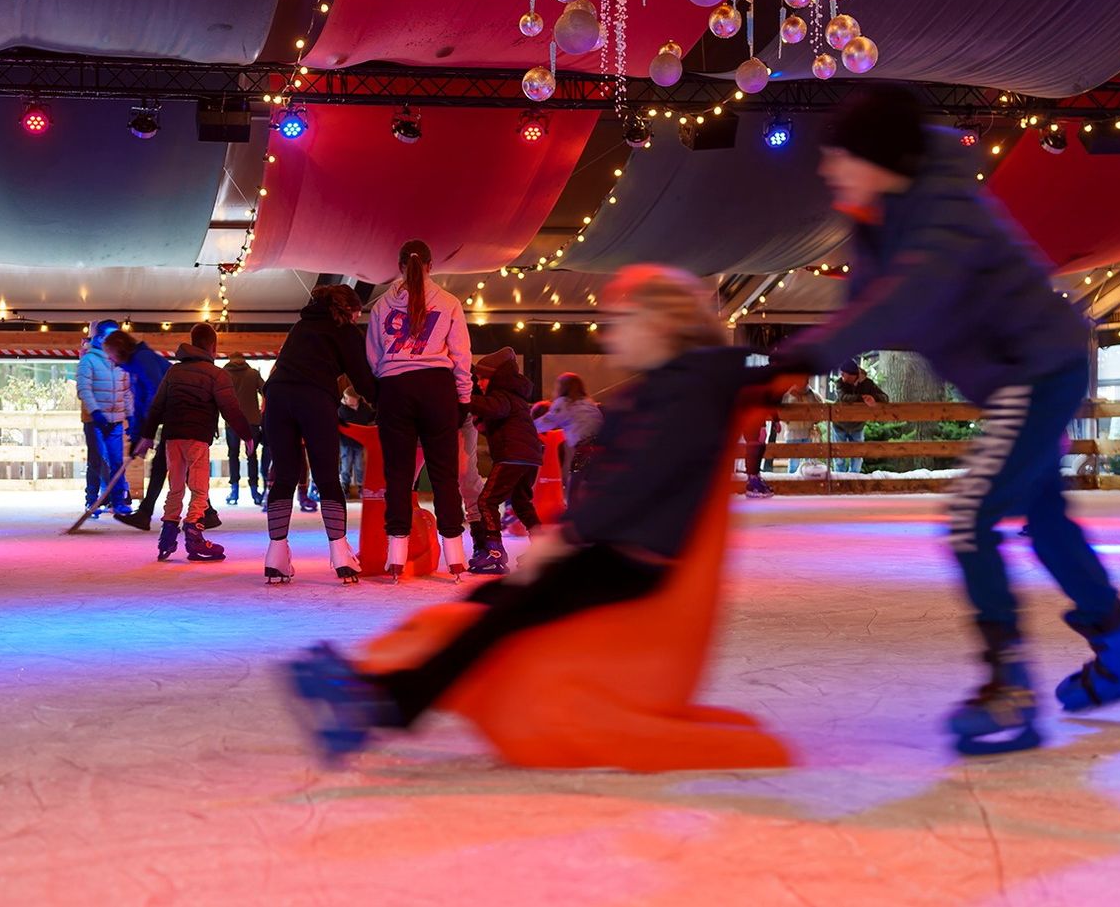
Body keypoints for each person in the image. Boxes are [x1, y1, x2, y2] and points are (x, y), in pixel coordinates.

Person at [772, 85, 1120, 756]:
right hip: (1017, 375)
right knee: (1046, 520)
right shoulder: (875, 216)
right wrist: (788, 365)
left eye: (840, 155)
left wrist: (797, 356)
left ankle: (1008, 684)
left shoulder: (946, 207)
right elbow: (864, 305)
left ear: (878, 156)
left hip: (1033, 366)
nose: (828, 169)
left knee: (970, 517)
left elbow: (904, 299)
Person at [282, 266, 772, 763]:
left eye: (621, 319)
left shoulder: (681, 395)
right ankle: (383, 688)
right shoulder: (658, 391)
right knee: (497, 598)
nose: (608, 332)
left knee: (510, 608)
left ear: (661, 325)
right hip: (619, 553)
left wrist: (569, 538)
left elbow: (637, 485)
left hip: (639, 564)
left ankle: (385, 701)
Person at [367, 240, 474, 579]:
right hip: (436, 388)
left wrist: (387, 384)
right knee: (444, 475)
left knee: (398, 475)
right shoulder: (448, 302)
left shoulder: (381, 305)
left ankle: (396, 554)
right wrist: (463, 398)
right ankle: (455, 555)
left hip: (395, 389)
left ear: (400, 266)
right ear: (431, 265)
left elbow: (373, 357)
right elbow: (461, 357)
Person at [260, 286, 379, 583]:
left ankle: (275, 557)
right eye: (358, 311)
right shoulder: (346, 331)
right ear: (350, 310)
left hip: (277, 396)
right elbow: (363, 379)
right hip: (314, 398)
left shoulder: (301, 326)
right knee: (327, 476)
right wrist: (387, 405)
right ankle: (341, 555)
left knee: (285, 475)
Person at [133, 324, 256, 561]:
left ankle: (167, 538)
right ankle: (194, 538)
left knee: (176, 487)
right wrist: (247, 434)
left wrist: (147, 435)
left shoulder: (174, 372)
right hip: (197, 438)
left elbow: (157, 406)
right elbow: (230, 408)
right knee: (199, 488)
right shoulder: (217, 375)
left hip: (172, 437)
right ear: (214, 346)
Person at [465, 347, 544, 574]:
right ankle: (543, 548)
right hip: (530, 457)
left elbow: (495, 409)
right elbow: (502, 421)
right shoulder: (516, 398)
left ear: (496, 378)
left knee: (487, 501)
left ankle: (494, 551)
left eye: (483, 378)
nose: (479, 383)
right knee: (521, 503)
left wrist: (465, 399)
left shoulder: (501, 395)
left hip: (512, 456)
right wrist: (482, 425)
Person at [108, 329, 170, 531]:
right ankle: (145, 514)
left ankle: (145, 514)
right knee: (164, 464)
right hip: (169, 413)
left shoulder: (143, 360)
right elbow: (141, 404)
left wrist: (148, 433)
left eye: (111, 354)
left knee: (167, 463)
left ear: (121, 349)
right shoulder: (134, 365)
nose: (111, 360)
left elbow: (156, 394)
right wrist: (137, 437)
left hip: (182, 411)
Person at [76, 320, 133, 518]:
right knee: (97, 461)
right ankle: (92, 501)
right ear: (100, 338)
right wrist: (95, 412)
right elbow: (84, 389)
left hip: (116, 420)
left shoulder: (120, 362)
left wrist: (131, 417)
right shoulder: (88, 360)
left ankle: (118, 502)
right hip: (95, 422)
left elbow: (126, 391)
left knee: (117, 461)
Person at [532, 371, 604, 494]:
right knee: (590, 480)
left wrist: (527, 425)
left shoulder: (564, 403)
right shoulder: (588, 402)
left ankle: (573, 510)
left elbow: (547, 422)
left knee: (575, 482)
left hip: (584, 446)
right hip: (601, 443)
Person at [222, 353, 265, 506]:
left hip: (232, 421)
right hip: (252, 420)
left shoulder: (224, 374)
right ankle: (255, 492)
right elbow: (266, 391)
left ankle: (234, 491)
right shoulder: (253, 374)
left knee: (233, 455)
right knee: (251, 455)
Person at [831, 360, 887, 474]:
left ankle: (854, 477)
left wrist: (873, 397)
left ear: (852, 375)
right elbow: (843, 398)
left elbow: (885, 398)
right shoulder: (839, 383)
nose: (841, 375)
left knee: (857, 455)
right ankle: (839, 478)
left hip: (857, 425)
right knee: (839, 455)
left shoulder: (868, 384)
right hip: (839, 425)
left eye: (843, 373)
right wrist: (862, 398)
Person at [337, 382, 376, 498]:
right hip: (346, 443)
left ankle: (361, 487)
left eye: (351, 399)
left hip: (359, 443)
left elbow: (371, 417)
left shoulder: (364, 409)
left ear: (357, 399)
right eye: (347, 398)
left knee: (359, 466)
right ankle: (345, 487)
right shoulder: (341, 409)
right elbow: (338, 424)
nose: (348, 400)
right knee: (345, 465)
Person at [780, 384, 823, 475]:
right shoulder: (787, 395)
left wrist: (815, 421)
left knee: (810, 463)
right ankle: (792, 486)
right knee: (793, 464)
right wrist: (788, 421)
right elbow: (780, 411)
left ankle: (809, 484)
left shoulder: (813, 395)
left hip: (808, 432)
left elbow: (821, 409)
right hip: (793, 433)